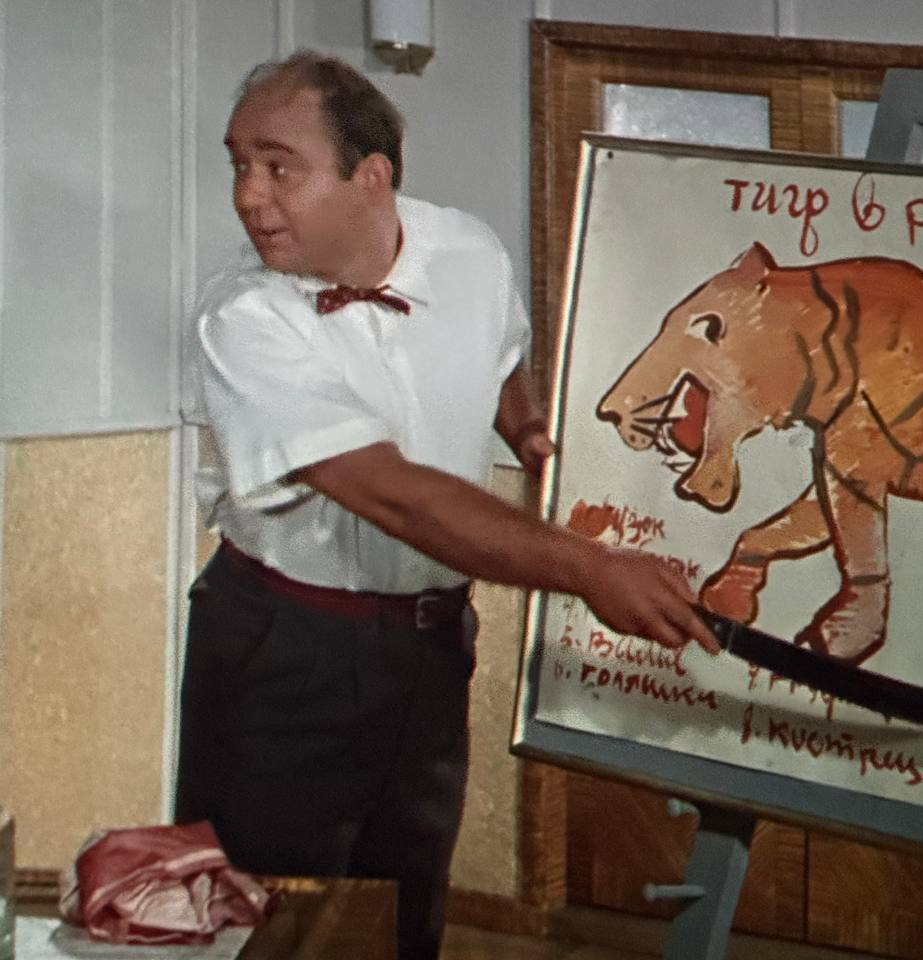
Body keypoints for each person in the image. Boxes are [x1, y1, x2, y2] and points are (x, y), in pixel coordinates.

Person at [175, 50, 717, 960]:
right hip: (285, 650)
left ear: (371, 175)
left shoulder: (468, 251)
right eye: (239, 165)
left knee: (406, 913)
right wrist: (590, 568)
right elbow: (393, 496)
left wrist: (526, 427)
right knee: (266, 930)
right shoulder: (242, 319)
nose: (248, 197)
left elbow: (499, 350)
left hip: (429, 650)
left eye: (278, 167)